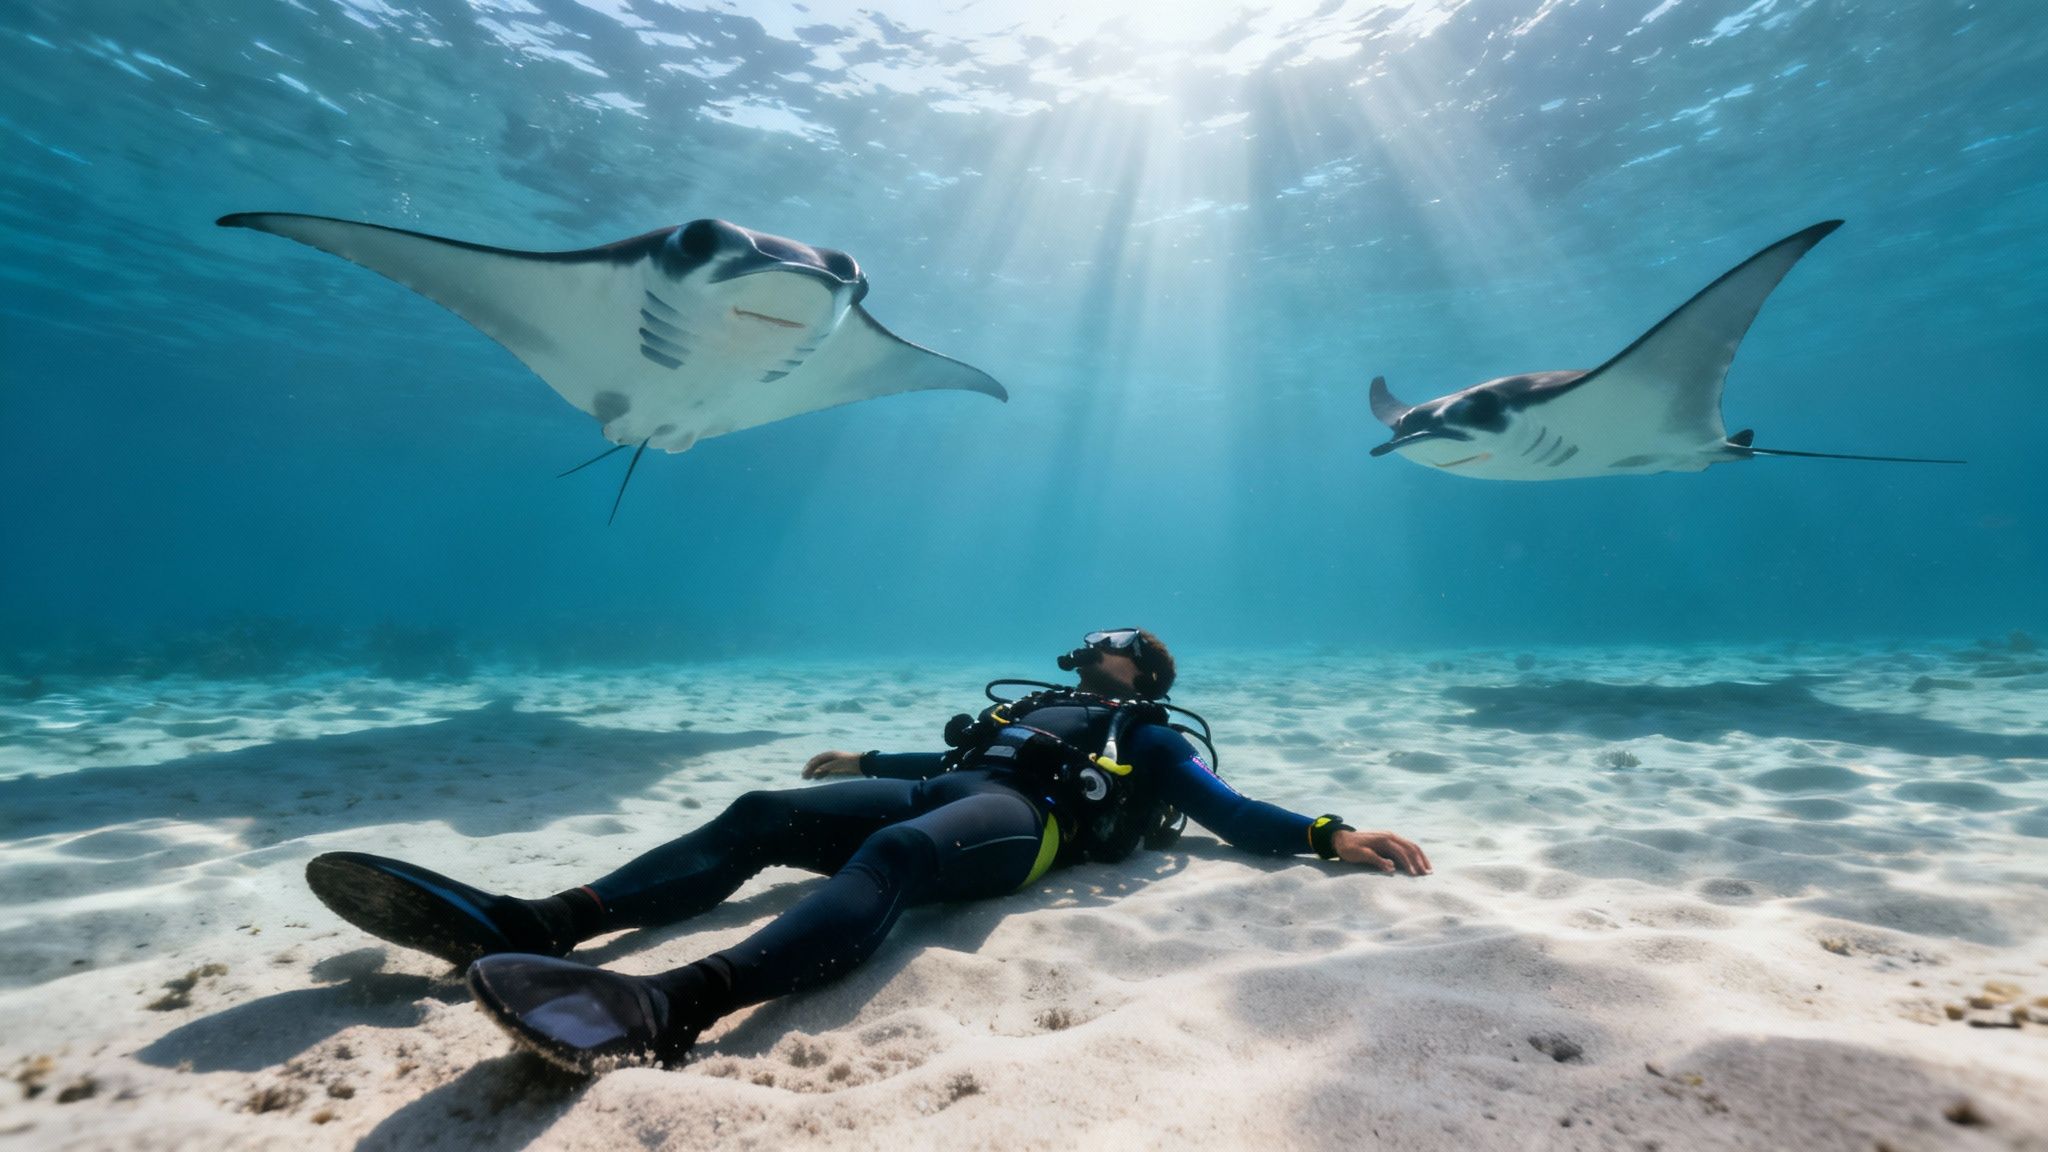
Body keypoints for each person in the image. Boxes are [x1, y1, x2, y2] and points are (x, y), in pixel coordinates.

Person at [304, 628, 1431, 1074]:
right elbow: (951, 752)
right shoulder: (1037, 704)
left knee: (895, 849)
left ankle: (668, 1007)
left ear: (1151, 676)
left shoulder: (1143, 732)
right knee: (755, 810)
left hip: (1024, 830)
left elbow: (1228, 811)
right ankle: (538, 922)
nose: (1098, 647)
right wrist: (857, 757)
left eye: (1120, 645)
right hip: (958, 781)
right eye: (1096, 641)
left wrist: (1333, 834)